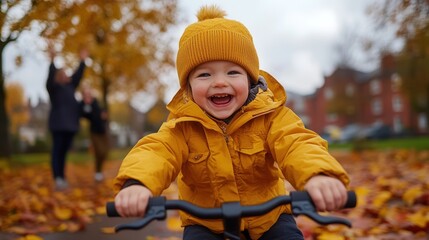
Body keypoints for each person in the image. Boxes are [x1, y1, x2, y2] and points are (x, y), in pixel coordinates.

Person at [113, 5, 350, 240]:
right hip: (205, 222)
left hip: (269, 217)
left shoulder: (271, 117)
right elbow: (157, 152)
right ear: (188, 87)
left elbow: (296, 143)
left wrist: (318, 175)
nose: (219, 82)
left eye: (233, 73)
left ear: (250, 79)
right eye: (204, 75)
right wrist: (138, 184)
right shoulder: (181, 127)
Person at [46, 45, 88, 190]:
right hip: (58, 125)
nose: (67, 75)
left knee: (63, 153)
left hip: (70, 126)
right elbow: (51, 76)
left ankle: (62, 177)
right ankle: (57, 178)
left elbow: (78, 75)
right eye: (63, 73)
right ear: (59, 77)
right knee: (57, 151)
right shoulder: (54, 88)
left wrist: (82, 61)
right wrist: (52, 59)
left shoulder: (70, 87)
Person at [79, 84, 109, 182]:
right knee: (99, 152)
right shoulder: (83, 105)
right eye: (86, 93)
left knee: (104, 152)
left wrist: (104, 114)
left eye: (89, 93)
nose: (88, 95)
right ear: (83, 95)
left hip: (102, 130)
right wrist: (87, 105)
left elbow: (102, 110)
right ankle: (98, 172)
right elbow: (84, 115)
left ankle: (99, 171)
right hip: (94, 131)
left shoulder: (96, 101)